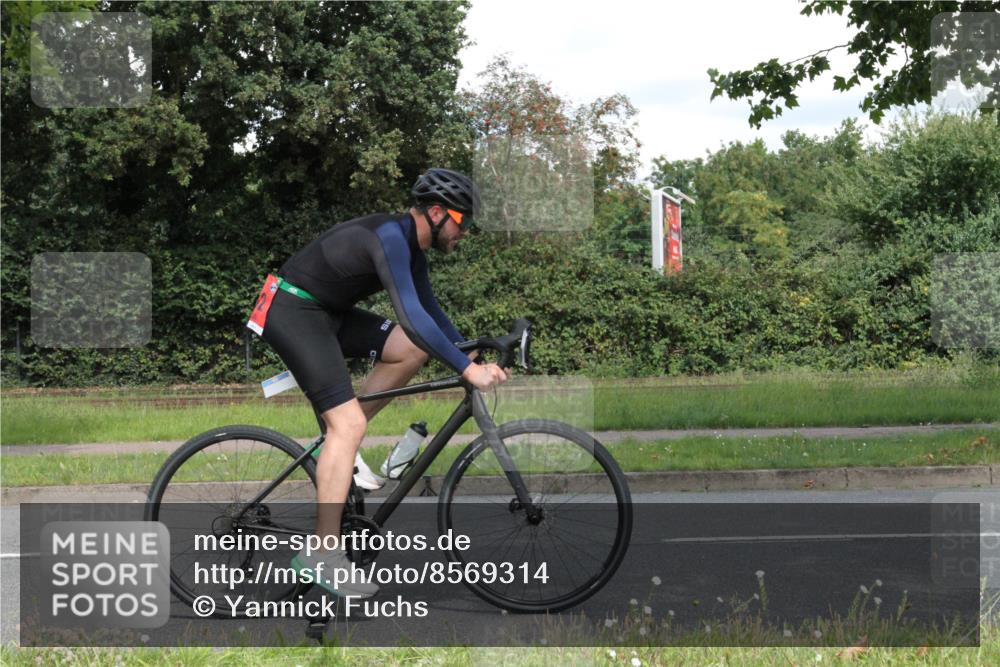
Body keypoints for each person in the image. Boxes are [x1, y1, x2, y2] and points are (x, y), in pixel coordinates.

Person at [248, 168, 510, 598]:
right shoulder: (390, 236)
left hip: (328, 312)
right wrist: (466, 371)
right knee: (348, 424)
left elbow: (431, 315)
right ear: (439, 212)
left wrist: (473, 355)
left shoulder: (413, 251)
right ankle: (322, 553)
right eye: (463, 222)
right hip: (292, 310)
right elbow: (410, 313)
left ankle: (340, 442)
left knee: (410, 348)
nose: (465, 232)